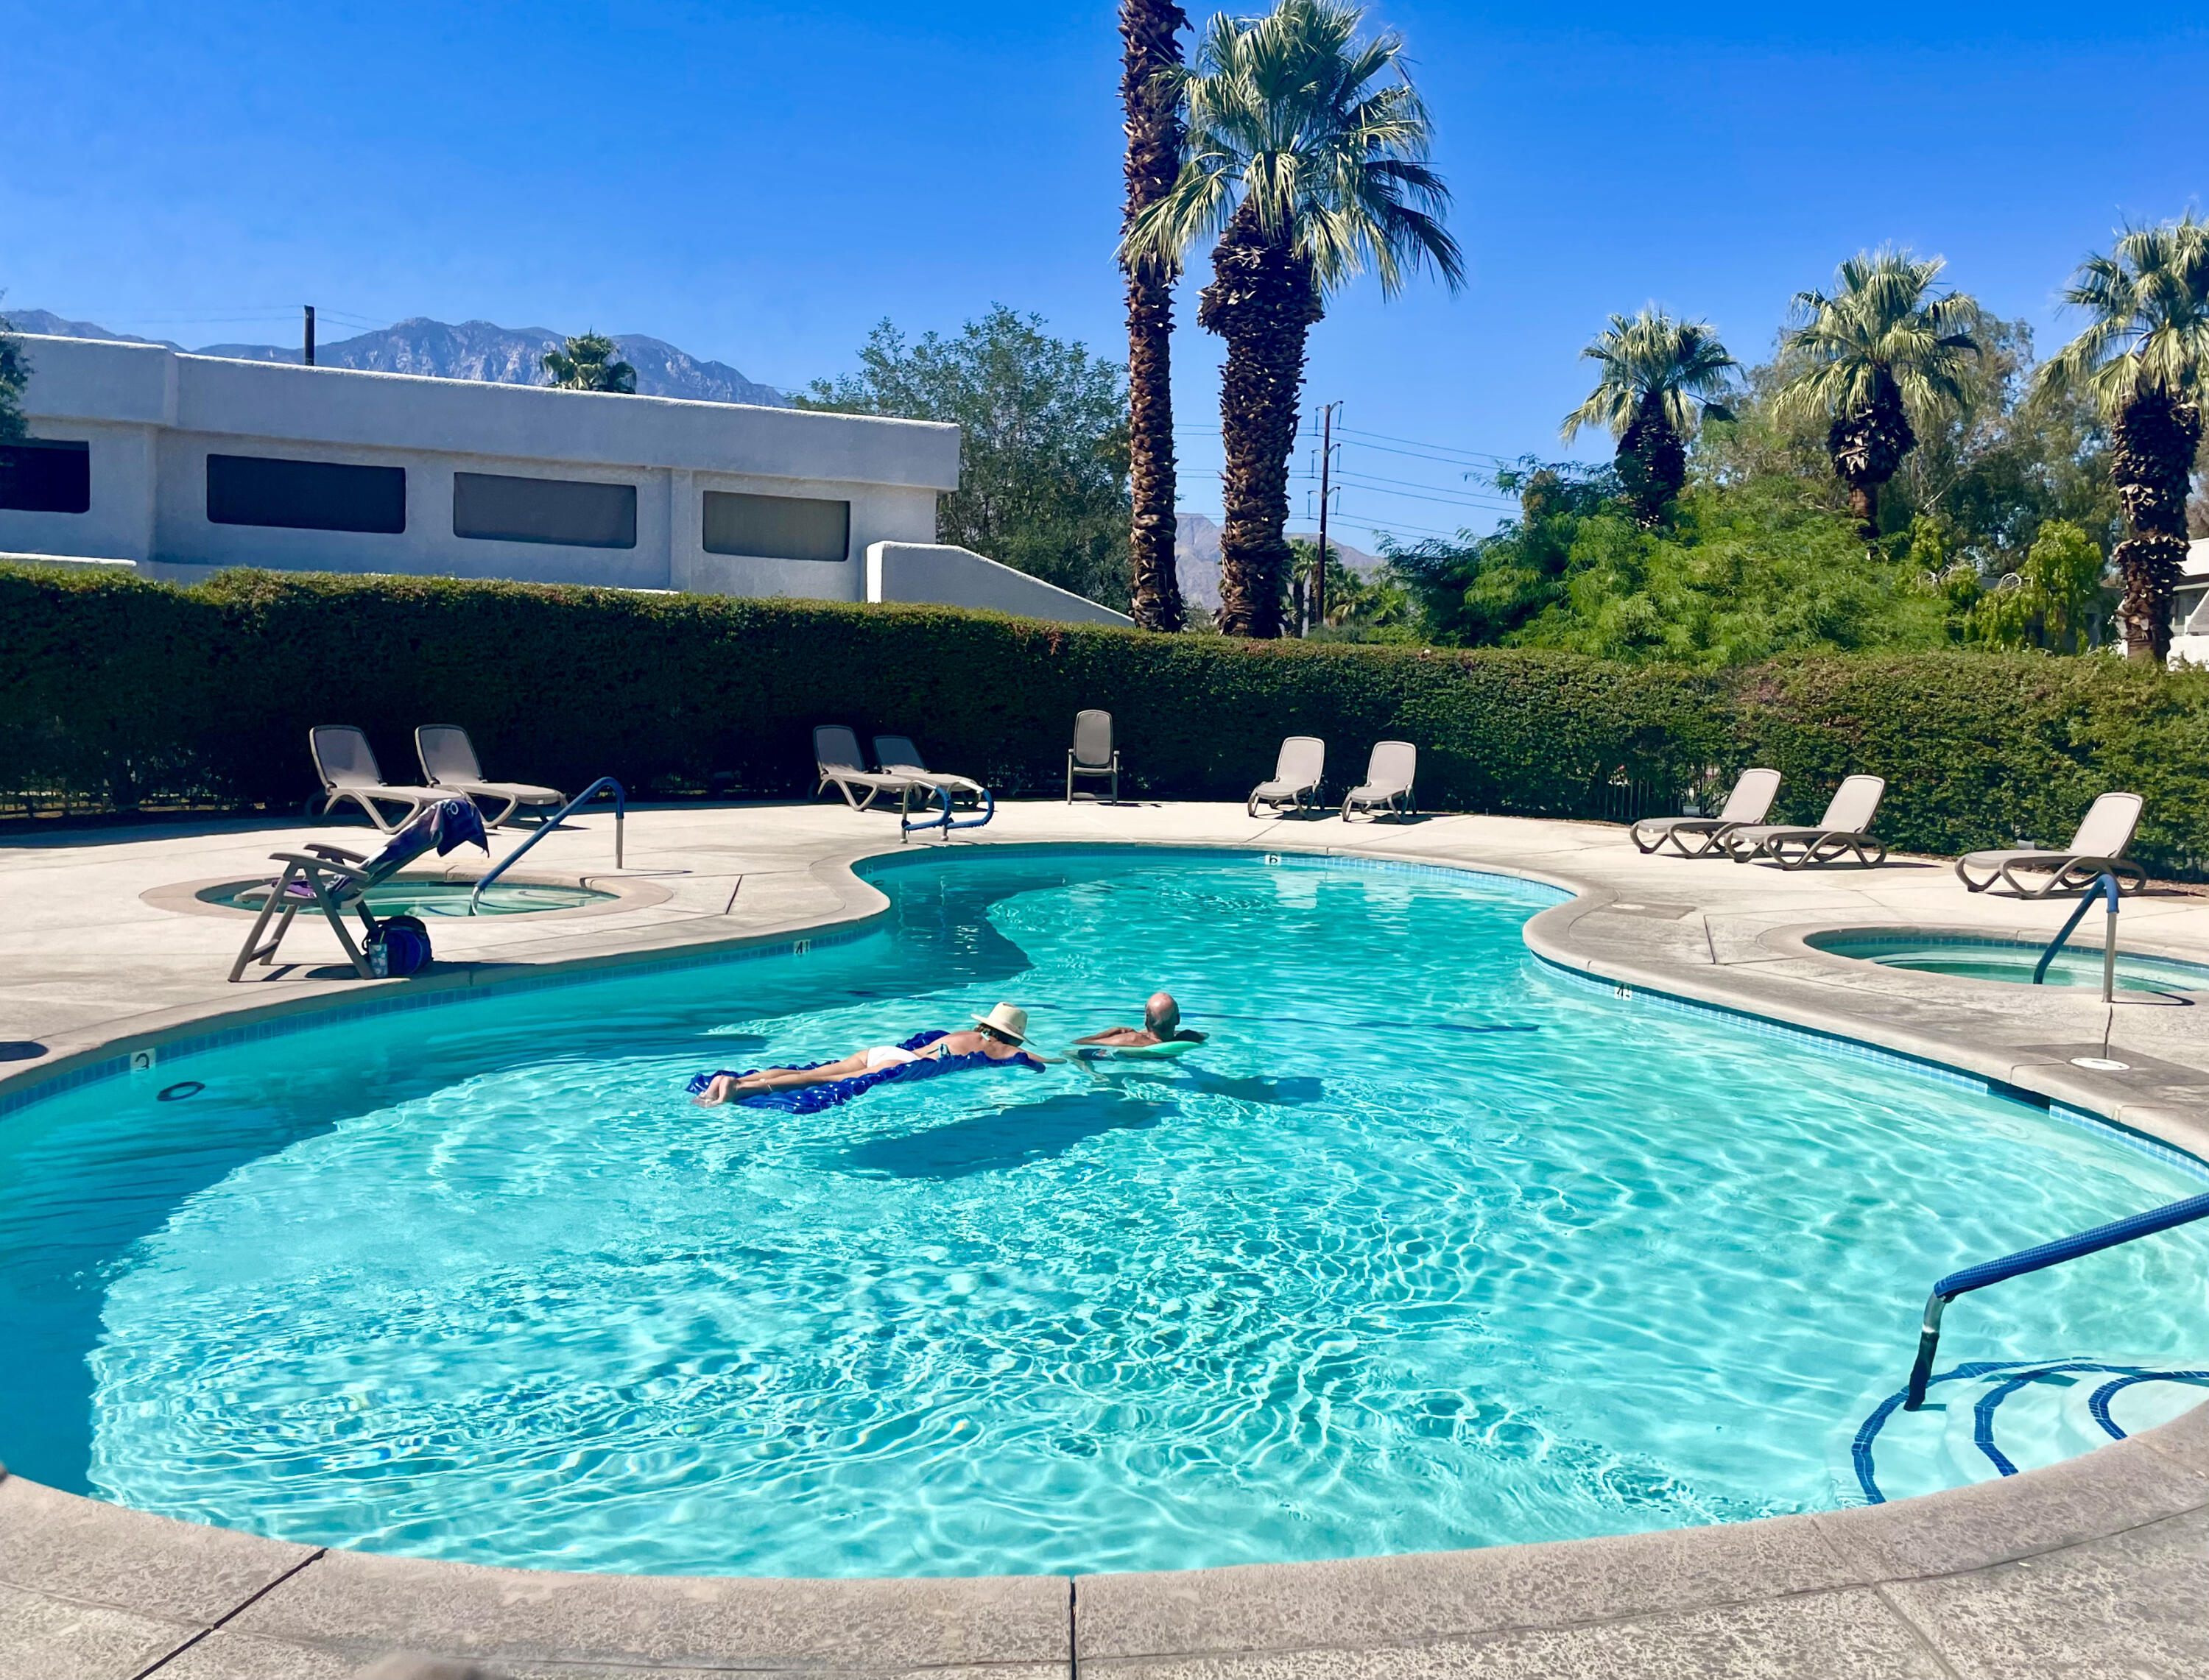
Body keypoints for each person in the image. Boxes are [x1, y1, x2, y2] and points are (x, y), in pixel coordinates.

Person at [692, 1002, 1045, 1106]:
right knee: (824, 1081)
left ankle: (738, 1079)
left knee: (819, 1072)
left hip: (881, 1051)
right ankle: (740, 1090)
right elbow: (1030, 1061)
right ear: (1011, 1035)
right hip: (902, 1063)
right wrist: (1055, 1060)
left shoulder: (964, 1033)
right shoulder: (1001, 1047)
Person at [1074, 991, 1206, 1051]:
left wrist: (1110, 1033)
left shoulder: (1132, 1039)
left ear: (1145, 1020)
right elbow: (1205, 1035)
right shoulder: (1190, 1037)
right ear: (1178, 1019)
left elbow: (1079, 1044)